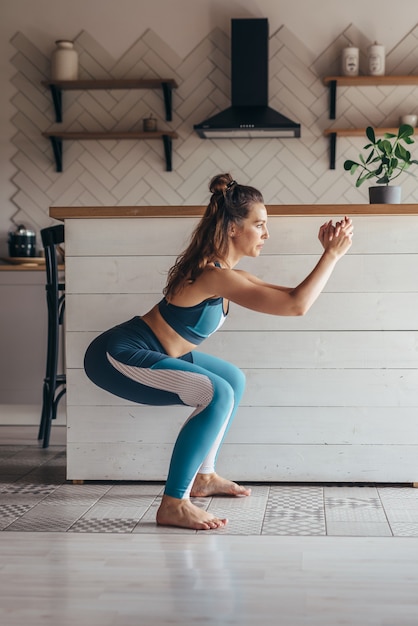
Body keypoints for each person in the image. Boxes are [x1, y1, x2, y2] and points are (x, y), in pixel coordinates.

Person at [84, 173, 353, 531]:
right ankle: (174, 503)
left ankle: (204, 478)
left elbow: (294, 295)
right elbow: (295, 306)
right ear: (232, 228)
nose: (266, 234)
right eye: (259, 225)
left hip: (152, 351)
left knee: (232, 379)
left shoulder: (227, 273)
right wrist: (332, 255)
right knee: (217, 392)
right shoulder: (214, 276)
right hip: (116, 354)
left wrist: (327, 254)